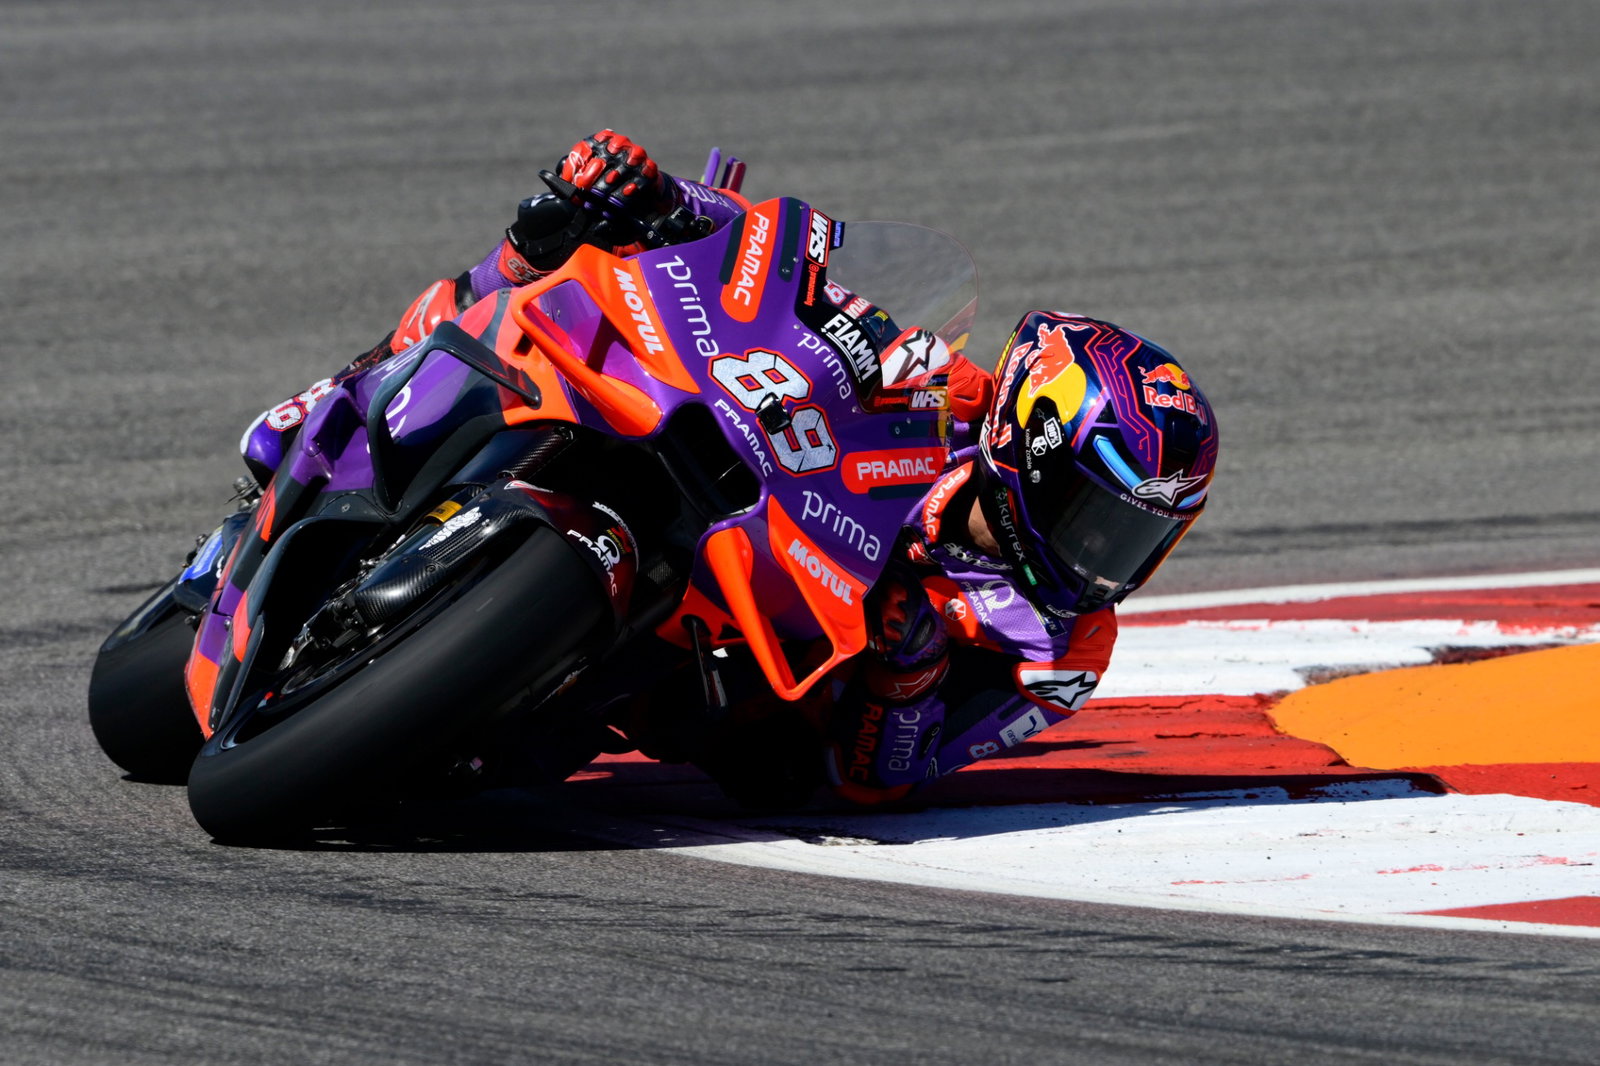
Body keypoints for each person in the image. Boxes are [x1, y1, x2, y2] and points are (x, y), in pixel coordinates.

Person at [241, 130, 1219, 807]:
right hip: (740, 515)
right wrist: (667, 201)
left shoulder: (1065, 648)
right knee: (552, 255)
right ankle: (349, 398)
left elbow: (895, 774)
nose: (1105, 559)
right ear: (1030, 448)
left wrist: (909, 666)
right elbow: (805, 286)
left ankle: (483, 681)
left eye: (1136, 536)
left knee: (514, 780)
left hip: (763, 707)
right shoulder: (955, 394)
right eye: (1097, 518)